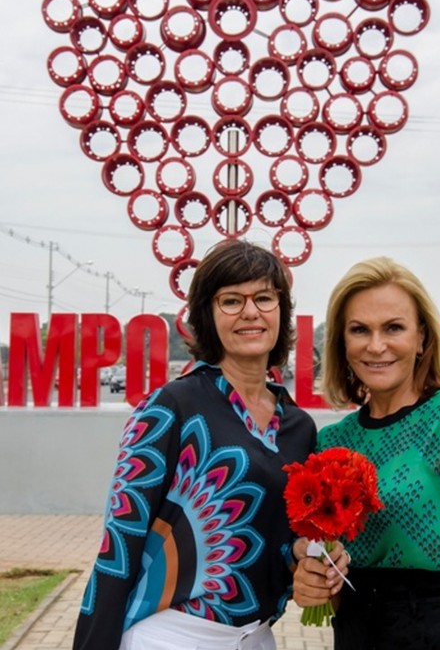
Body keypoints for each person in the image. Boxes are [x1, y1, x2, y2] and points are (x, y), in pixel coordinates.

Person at [73, 240, 346, 650]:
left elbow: (283, 543)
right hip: (170, 636)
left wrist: (309, 561)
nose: (250, 312)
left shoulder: (297, 427)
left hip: (255, 637)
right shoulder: (172, 407)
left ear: (281, 310)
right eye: (231, 301)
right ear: (207, 314)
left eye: (264, 298)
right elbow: (121, 541)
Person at [292, 256, 440, 650]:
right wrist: (312, 577)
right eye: (359, 330)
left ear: (422, 338)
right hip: (355, 635)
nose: (376, 345)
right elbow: (331, 567)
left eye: (393, 327)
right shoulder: (333, 443)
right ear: (342, 343)